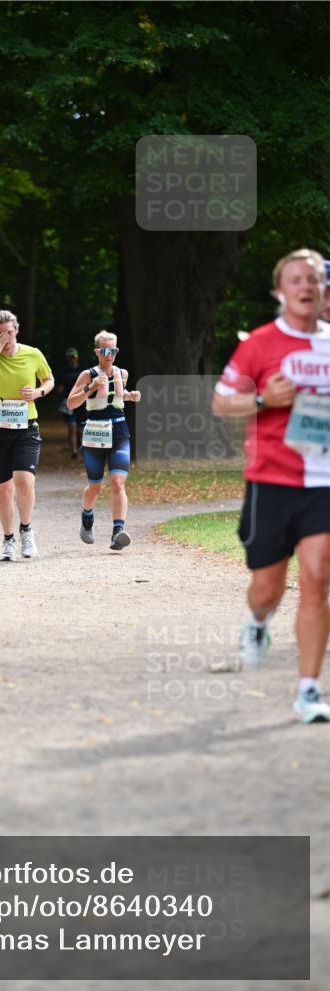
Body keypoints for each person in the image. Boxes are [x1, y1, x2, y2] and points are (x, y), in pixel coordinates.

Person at [212, 248, 330, 723]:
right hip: (272, 481)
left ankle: (307, 691)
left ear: (324, 291)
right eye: (297, 280)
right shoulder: (260, 343)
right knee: (267, 588)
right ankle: (257, 623)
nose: (307, 286)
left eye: (315, 279)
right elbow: (222, 403)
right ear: (281, 292)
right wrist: (263, 398)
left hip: (324, 481)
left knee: (318, 577)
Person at [0, 309, 54, 561]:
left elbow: (48, 379)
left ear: (16, 331)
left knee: (25, 481)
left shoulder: (33, 353)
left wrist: (38, 393)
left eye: (8, 332)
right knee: (4, 490)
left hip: (26, 426)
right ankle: (8, 539)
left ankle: (26, 529)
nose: (5, 338)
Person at [67, 331, 141, 549]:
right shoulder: (87, 375)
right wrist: (90, 388)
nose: (110, 355)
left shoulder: (122, 373)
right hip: (95, 433)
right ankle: (87, 515)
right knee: (95, 487)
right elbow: (71, 404)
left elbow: (117, 395)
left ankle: (118, 531)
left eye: (114, 350)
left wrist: (130, 396)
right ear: (97, 351)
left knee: (118, 482)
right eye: (106, 351)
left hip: (119, 431)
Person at [57, 347, 84, 458]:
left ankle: (80, 446)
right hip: (68, 403)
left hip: (82, 402)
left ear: (77, 358)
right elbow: (58, 386)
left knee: (80, 430)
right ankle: (74, 452)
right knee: (71, 427)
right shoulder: (63, 371)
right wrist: (59, 389)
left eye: (74, 357)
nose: (72, 359)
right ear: (67, 358)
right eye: (70, 357)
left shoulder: (82, 371)